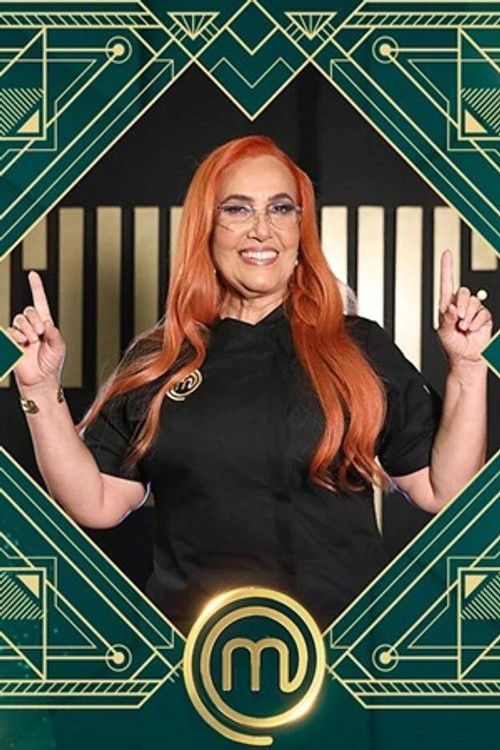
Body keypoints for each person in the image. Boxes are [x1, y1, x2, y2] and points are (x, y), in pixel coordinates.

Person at [8, 136, 493, 634]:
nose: (262, 229)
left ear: (301, 229)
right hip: (194, 653)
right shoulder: (161, 357)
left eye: (281, 209)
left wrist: (468, 367)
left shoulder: (356, 346)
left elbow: (445, 490)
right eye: (238, 209)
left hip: (338, 650)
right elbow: (95, 503)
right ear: (205, 227)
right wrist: (41, 391)